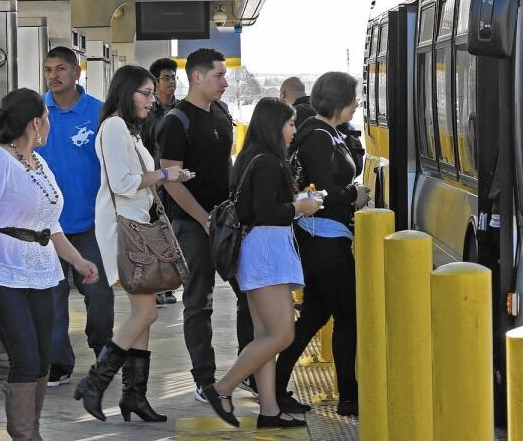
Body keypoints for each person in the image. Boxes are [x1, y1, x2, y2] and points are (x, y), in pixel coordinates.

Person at [0, 89, 100, 440]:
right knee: (24, 359)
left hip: (41, 271)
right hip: (1, 270)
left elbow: (50, 224)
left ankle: (32, 432)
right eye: (48, 117)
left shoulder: (39, 163)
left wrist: (78, 260)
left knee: (41, 360)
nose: (50, 124)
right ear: (36, 122)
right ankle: (25, 436)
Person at [76, 66, 194, 422]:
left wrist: (166, 176)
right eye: (145, 92)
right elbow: (123, 183)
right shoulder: (113, 126)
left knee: (143, 315)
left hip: (136, 228)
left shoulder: (129, 131)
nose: (151, 99)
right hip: (124, 231)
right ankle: (95, 383)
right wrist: (165, 174)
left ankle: (134, 397)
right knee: (147, 312)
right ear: (127, 93)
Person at [203, 98, 323, 429]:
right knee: (281, 335)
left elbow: (258, 207)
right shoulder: (269, 162)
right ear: (274, 127)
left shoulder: (250, 159)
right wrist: (302, 208)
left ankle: (269, 410)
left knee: (264, 335)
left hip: (256, 251)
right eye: (290, 124)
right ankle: (222, 388)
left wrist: (295, 202)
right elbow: (267, 211)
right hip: (267, 253)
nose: (293, 131)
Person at [156, 48, 252, 402]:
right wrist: (203, 218)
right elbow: (170, 179)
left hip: (226, 221)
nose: (225, 82)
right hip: (192, 224)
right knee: (199, 301)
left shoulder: (222, 113)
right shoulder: (176, 121)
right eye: (218, 75)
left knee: (249, 293)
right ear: (197, 77)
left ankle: (248, 370)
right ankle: (204, 379)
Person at [276, 71, 370, 417]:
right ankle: (349, 395)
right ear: (337, 101)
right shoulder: (317, 135)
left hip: (323, 237)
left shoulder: (324, 132)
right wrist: (354, 195)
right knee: (349, 316)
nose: (356, 104)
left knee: (315, 314)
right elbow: (323, 191)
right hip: (323, 238)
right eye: (352, 98)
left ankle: (274, 382)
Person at [36, 47, 114, 388]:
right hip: (45, 228)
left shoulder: (98, 113)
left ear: (77, 71)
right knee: (52, 299)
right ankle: (58, 362)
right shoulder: (36, 112)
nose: (54, 75)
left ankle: (103, 349)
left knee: (99, 296)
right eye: (49, 69)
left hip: (90, 225)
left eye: (61, 69)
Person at [143, 57, 180, 306]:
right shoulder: (147, 114)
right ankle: (156, 286)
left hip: (176, 183)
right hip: (154, 184)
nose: (172, 82)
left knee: (173, 235)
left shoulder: (182, 110)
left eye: (174, 77)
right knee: (155, 234)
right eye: (166, 77)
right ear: (155, 83)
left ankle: (168, 284)